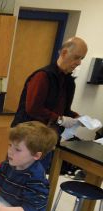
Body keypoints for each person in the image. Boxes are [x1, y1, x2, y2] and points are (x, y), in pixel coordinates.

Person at [11, 37, 88, 169]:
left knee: (39, 175)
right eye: (77, 57)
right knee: (17, 173)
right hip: (27, 138)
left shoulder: (69, 82)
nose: (79, 62)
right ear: (64, 53)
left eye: (82, 58)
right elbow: (33, 109)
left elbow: (64, 110)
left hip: (48, 138)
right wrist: (60, 119)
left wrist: (77, 118)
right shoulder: (43, 76)